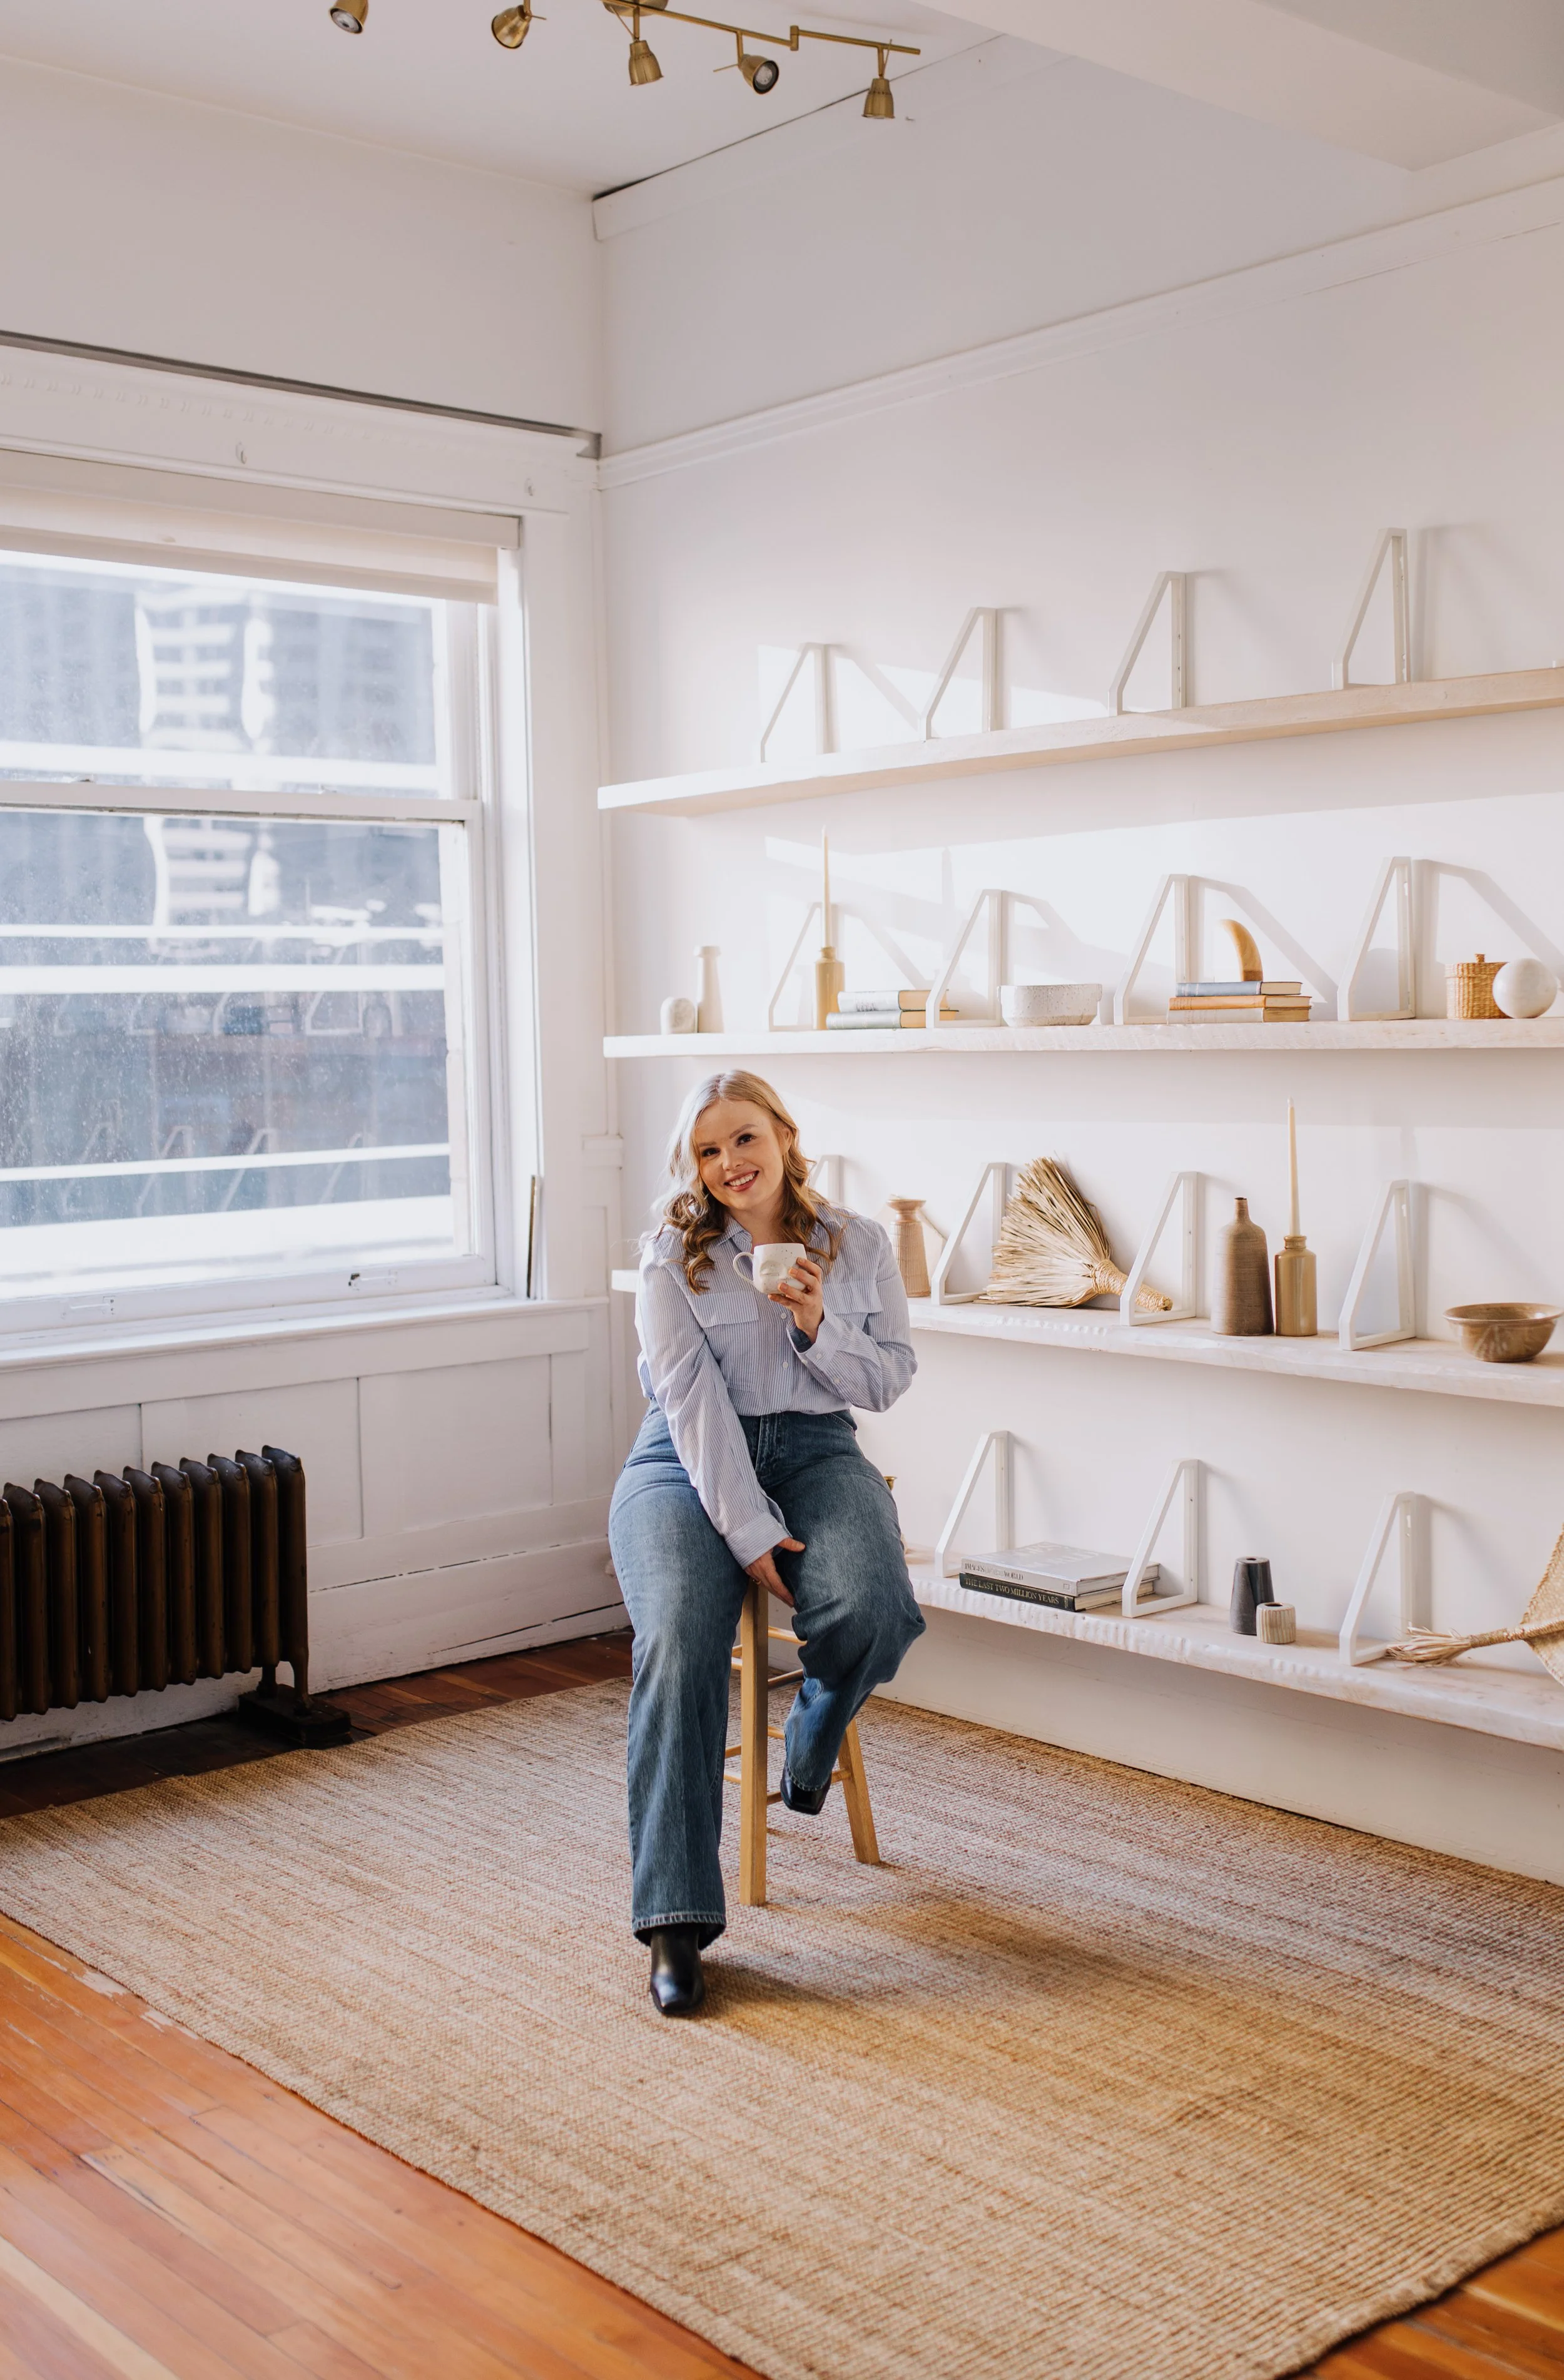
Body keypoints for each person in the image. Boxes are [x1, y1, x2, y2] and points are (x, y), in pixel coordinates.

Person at [609, 1070, 926, 2015]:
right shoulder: (670, 1256)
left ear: (784, 1135)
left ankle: (816, 1726)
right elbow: (690, 1403)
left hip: (816, 1445)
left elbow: (888, 1380)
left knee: (875, 1606)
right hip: (681, 1457)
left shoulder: (858, 1244)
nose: (729, 1164)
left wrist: (817, 1323)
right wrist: (747, 1532)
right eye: (708, 1151)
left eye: (744, 1139)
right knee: (677, 1637)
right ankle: (675, 1924)